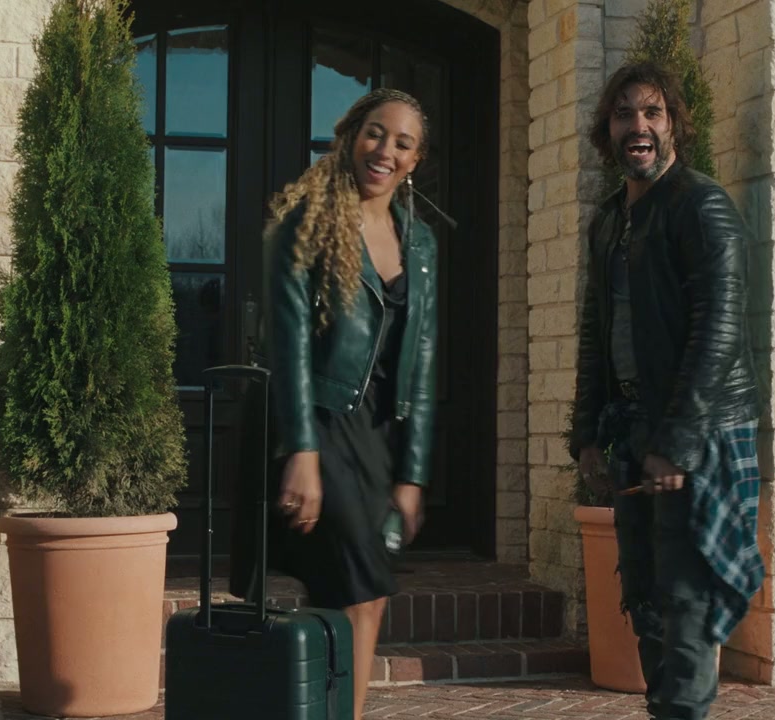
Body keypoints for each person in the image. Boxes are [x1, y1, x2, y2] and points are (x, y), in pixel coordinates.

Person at [569, 61, 765, 720]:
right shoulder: (610, 220)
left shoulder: (701, 207)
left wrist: (676, 443)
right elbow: (595, 331)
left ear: (675, 124)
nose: (639, 126)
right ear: (608, 130)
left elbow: (720, 329)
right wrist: (587, 435)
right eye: (624, 114)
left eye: (652, 112)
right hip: (631, 426)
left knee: (686, 600)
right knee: (647, 597)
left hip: (698, 434)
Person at [259, 88, 439, 720]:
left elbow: (423, 363)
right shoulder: (304, 224)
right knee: (360, 590)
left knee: (359, 595)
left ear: (415, 161)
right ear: (350, 136)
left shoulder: (420, 245)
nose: (385, 150)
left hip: (379, 436)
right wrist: (301, 450)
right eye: (375, 133)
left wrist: (412, 475)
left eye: (403, 143)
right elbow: (285, 349)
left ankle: (330, 710)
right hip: (323, 421)